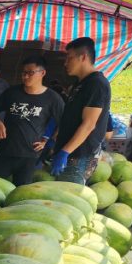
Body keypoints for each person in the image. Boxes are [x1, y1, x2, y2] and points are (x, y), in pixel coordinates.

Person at [0, 55, 65, 186]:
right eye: (24, 73)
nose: (25, 76)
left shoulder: (53, 98)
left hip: (30, 155)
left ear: (42, 73)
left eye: (30, 73)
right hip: (5, 151)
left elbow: (63, 122)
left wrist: (47, 140)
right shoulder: (12, 92)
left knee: (21, 192)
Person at [50, 37, 112, 184]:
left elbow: (89, 124)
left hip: (79, 156)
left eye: (69, 58)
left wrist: (65, 152)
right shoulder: (80, 84)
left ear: (83, 57)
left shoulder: (96, 84)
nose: (65, 63)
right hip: (70, 152)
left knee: (68, 200)